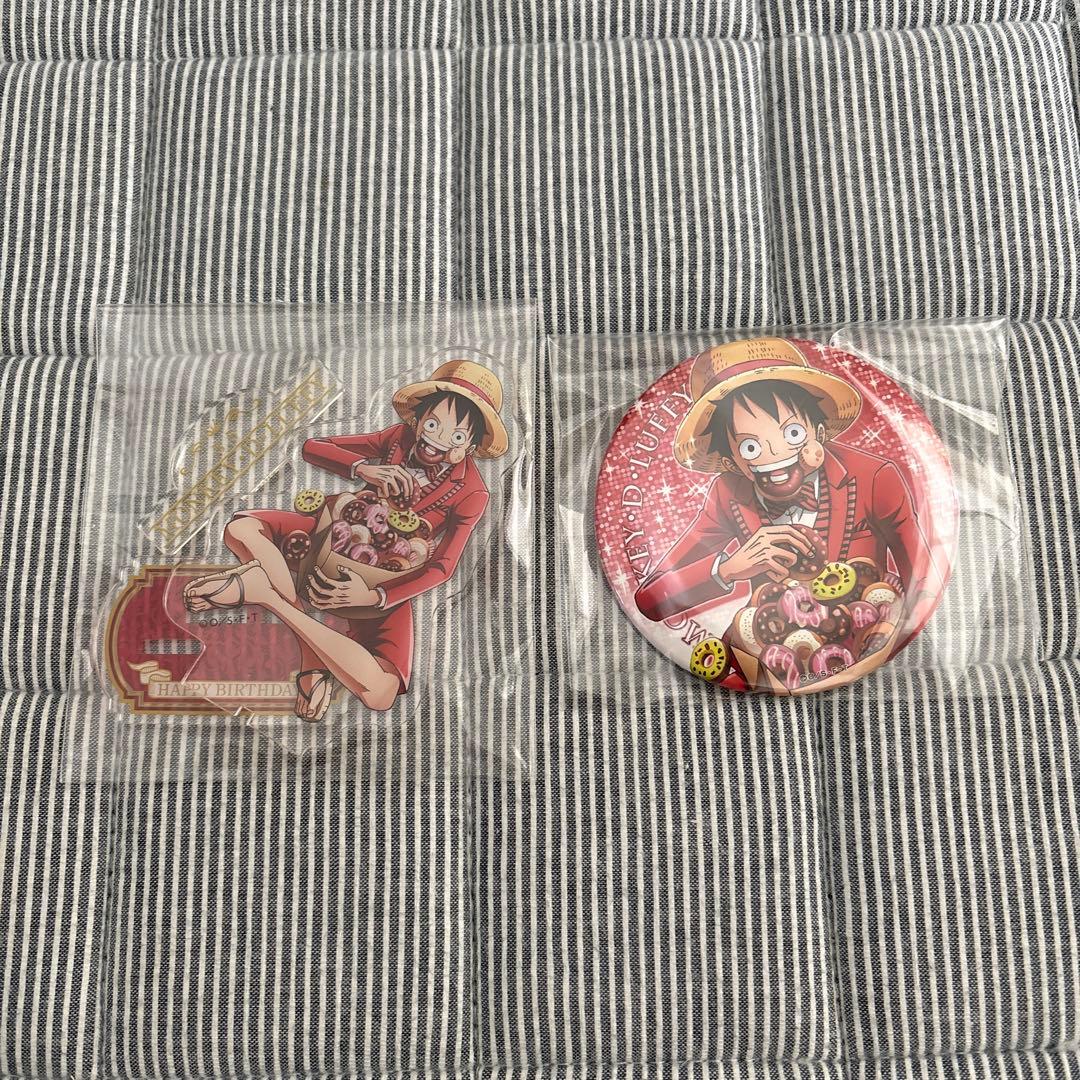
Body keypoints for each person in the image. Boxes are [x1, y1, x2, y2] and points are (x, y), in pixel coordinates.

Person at [182, 359, 508, 721]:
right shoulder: (397, 438)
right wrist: (364, 468)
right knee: (241, 528)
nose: (438, 439)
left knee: (382, 692)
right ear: (419, 420)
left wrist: (375, 596)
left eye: (457, 436)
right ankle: (312, 660)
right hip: (328, 540)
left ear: (471, 445)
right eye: (433, 424)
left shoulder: (472, 492)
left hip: (383, 582)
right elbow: (313, 446)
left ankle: (265, 593)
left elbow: (443, 567)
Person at [635, 338, 946, 638]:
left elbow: (926, 582)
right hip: (767, 648)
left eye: (793, 433)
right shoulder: (728, 492)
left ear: (819, 433)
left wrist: (885, 637)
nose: (776, 454)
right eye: (750, 448)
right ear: (732, 462)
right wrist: (728, 569)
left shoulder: (875, 476)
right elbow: (651, 599)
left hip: (865, 636)